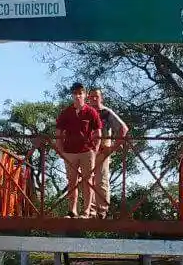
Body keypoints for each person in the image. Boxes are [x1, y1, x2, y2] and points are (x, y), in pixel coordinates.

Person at [55, 82, 102, 217]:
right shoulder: (66, 113)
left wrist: (95, 151)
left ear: (85, 95)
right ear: (72, 95)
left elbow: (98, 133)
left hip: (87, 152)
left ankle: (86, 211)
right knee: (72, 182)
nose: (77, 96)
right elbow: (58, 133)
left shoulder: (91, 112)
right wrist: (61, 151)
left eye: (80, 93)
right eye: (75, 93)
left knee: (88, 181)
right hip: (69, 152)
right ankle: (72, 211)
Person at [87, 86, 129, 218]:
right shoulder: (85, 112)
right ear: (88, 98)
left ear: (101, 98)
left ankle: (102, 211)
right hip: (87, 150)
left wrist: (112, 147)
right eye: (91, 96)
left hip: (102, 149)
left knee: (101, 180)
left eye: (97, 96)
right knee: (87, 181)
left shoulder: (106, 112)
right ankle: (90, 211)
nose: (94, 98)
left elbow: (123, 129)